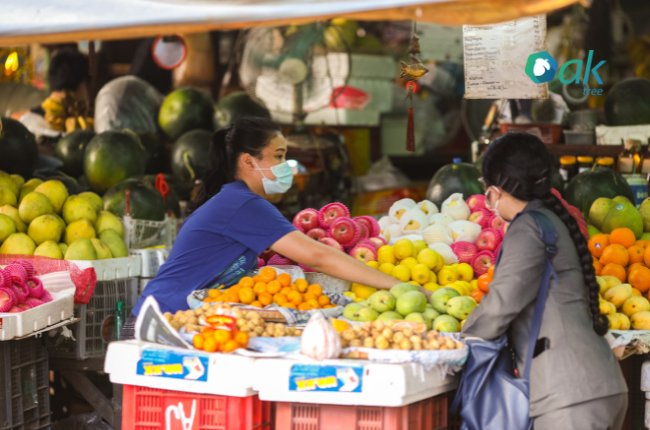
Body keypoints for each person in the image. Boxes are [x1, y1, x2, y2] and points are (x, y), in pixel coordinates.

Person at [132, 117, 400, 315]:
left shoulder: (237, 200)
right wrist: (398, 287)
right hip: (160, 323)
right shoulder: (243, 205)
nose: (287, 168)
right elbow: (319, 257)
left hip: (177, 318)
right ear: (249, 162)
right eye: (279, 157)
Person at [461, 132, 627, 429]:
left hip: (569, 396)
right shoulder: (549, 219)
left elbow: (500, 304)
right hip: (595, 385)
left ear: (497, 189)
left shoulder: (528, 229)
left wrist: (458, 340)